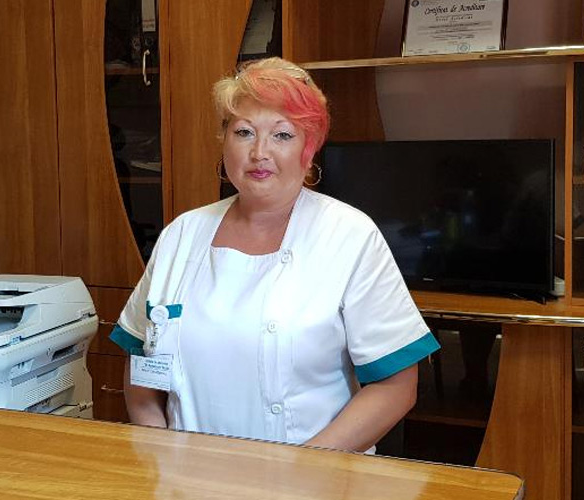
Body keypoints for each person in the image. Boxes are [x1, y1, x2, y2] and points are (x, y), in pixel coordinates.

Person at [110, 57, 439, 453]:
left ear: (309, 149)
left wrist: (302, 469)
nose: (259, 152)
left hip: (314, 476)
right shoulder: (181, 234)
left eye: (282, 135)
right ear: (224, 141)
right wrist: (160, 450)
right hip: (187, 474)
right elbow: (140, 360)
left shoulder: (349, 235)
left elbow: (396, 385)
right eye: (244, 132)